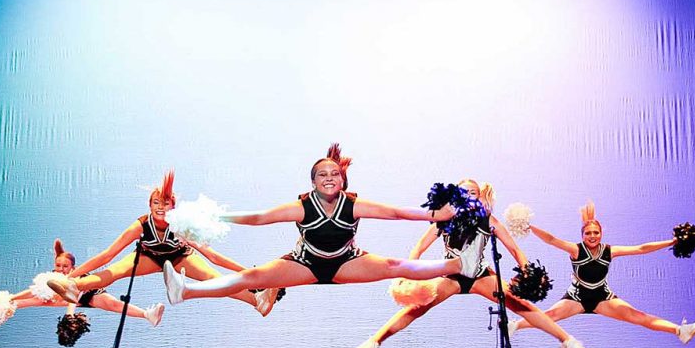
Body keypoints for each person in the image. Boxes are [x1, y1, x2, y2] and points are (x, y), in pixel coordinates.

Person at [158, 144, 491, 308]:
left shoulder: (354, 203)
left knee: (393, 265)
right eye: (322, 174)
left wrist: (439, 215)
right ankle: (185, 290)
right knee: (254, 277)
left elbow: (396, 214)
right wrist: (215, 217)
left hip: (347, 263)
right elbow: (258, 218)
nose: (329, 178)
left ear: (342, 179)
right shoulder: (302, 206)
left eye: (334, 174)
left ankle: (460, 264)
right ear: (314, 182)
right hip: (306, 263)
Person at [351, 179, 590, 348]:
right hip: (451, 276)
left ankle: (567, 341)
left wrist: (526, 270)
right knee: (417, 307)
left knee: (521, 304)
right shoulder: (442, 221)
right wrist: (408, 276)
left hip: (479, 276)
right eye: (463, 192)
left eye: (473, 192)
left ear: (479, 197)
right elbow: (419, 248)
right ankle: (375, 342)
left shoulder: (488, 221)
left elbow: (515, 250)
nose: (468, 195)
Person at [45, 171, 278, 316]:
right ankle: (75, 286)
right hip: (148, 257)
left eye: (165, 203)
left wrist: (252, 273)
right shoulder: (140, 225)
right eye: (156, 202)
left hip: (180, 256)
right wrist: (71, 277)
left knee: (214, 280)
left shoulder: (181, 226)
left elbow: (213, 256)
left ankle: (257, 301)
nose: (160, 206)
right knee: (114, 272)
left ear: (173, 206)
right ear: (149, 205)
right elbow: (106, 255)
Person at [509, 200, 695, 344]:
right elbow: (551, 239)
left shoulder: (610, 251)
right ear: (582, 235)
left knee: (638, 316)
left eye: (596, 233)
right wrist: (529, 226)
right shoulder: (576, 250)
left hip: (602, 297)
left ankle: (680, 330)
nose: (592, 236)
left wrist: (672, 242)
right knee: (548, 316)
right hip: (576, 298)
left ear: (601, 234)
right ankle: (514, 325)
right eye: (588, 233)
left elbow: (641, 248)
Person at [0, 239, 164, 327]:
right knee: (27, 299)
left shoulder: (75, 277)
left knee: (113, 304)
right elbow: (33, 292)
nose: (61, 269)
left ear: (72, 267)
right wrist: (13, 298)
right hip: (66, 297)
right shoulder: (52, 279)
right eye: (58, 265)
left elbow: (72, 297)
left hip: (88, 295)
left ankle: (147, 314)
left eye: (65, 266)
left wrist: (69, 315)